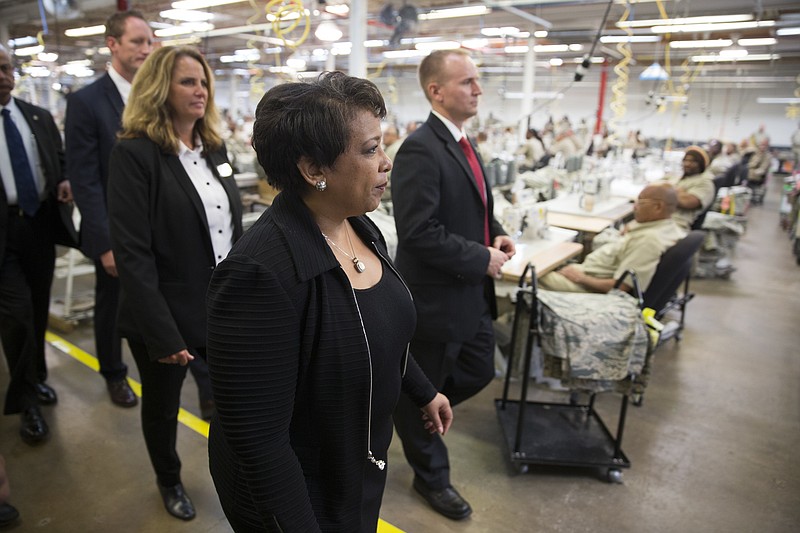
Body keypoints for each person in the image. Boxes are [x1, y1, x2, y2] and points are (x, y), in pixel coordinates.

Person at [206, 71, 452, 532]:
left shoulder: (359, 226)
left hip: (355, 462)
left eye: (382, 145)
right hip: (300, 488)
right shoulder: (260, 274)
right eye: (369, 150)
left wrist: (422, 390)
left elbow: (380, 329)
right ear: (313, 169)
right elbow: (259, 443)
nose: (387, 163)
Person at [107, 45, 243, 521]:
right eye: (187, 81)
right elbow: (133, 254)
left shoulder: (216, 150)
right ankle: (169, 480)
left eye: (203, 81)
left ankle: (238, 476)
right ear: (159, 88)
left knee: (234, 401)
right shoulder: (135, 155)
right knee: (163, 409)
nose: (199, 90)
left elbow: (232, 232)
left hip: (220, 308)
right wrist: (163, 333)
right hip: (162, 315)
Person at [390, 49, 515, 521]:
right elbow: (418, 232)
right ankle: (432, 478)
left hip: (470, 294)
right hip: (438, 299)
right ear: (436, 91)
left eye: (477, 81)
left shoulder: (464, 142)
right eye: (467, 82)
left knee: (480, 369)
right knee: (431, 385)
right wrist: (480, 257)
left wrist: (496, 232)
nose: (478, 89)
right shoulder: (420, 148)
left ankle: (412, 411)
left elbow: (477, 208)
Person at [64, 10, 153, 407]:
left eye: (149, 42)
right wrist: (103, 243)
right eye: (137, 41)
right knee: (112, 303)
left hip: (156, 223)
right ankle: (114, 373)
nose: (145, 49)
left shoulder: (155, 97)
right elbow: (84, 178)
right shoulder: (86, 102)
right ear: (112, 44)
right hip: (115, 229)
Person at [0, 44, 78, 445]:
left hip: (39, 227)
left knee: (36, 308)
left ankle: (38, 378)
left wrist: (63, 179)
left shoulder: (38, 117)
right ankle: (27, 401)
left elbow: (59, 158)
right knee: (14, 317)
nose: (4, 75)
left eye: (7, 67)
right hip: (3, 235)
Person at [538, 185, 685, 293]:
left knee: (532, 277)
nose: (635, 208)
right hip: (591, 273)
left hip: (592, 287)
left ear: (658, 207)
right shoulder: (667, 229)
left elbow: (622, 288)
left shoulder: (649, 240)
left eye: (640, 203)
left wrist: (580, 278)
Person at [667, 145, 716, 231]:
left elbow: (687, 202)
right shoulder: (680, 178)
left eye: (693, 161)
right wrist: (677, 191)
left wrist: (664, 191)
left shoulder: (705, 183)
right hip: (660, 218)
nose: (687, 164)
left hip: (675, 223)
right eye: (685, 160)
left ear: (701, 164)